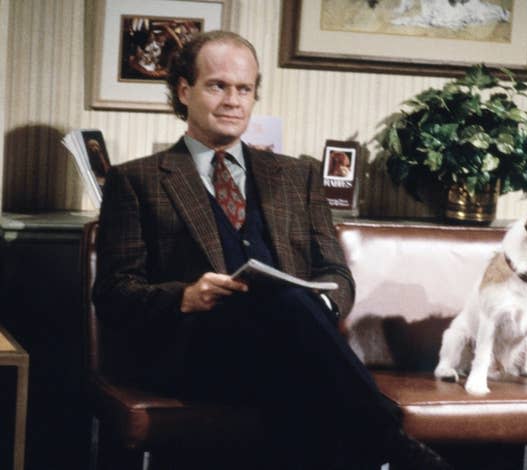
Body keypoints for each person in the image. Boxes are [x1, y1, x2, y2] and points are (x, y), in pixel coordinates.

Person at [93, 30, 453, 469]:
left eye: (244, 89)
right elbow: (113, 293)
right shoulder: (138, 180)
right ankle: (389, 441)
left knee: (291, 333)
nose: (233, 100)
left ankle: (378, 439)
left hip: (286, 344)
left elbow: (337, 277)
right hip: (195, 353)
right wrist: (186, 296)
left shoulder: (296, 176)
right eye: (217, 85)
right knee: (302, 353)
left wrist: (317, 302)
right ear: (184, 91)